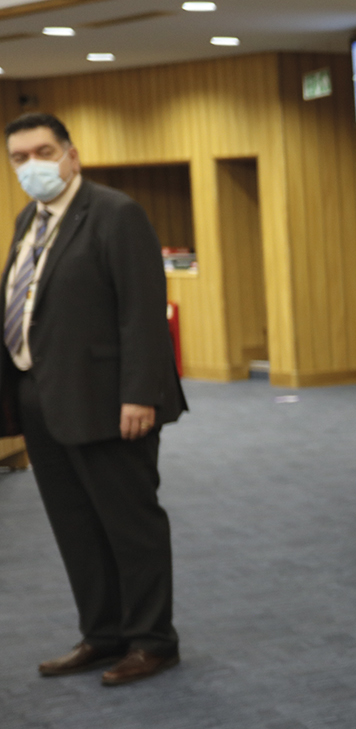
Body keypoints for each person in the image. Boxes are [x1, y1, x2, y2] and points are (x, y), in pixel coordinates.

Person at [1, 113, 187, 686]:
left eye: (43, 152)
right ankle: (103, 634)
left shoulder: (115, 213)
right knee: (75, 525)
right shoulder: (28, 219)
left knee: (129, 523)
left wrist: (140, 394)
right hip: (42, 396)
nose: (32, 166)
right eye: (19, 158)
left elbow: (142, 310)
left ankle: (152, 641)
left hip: (109, 402)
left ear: (71, 155)